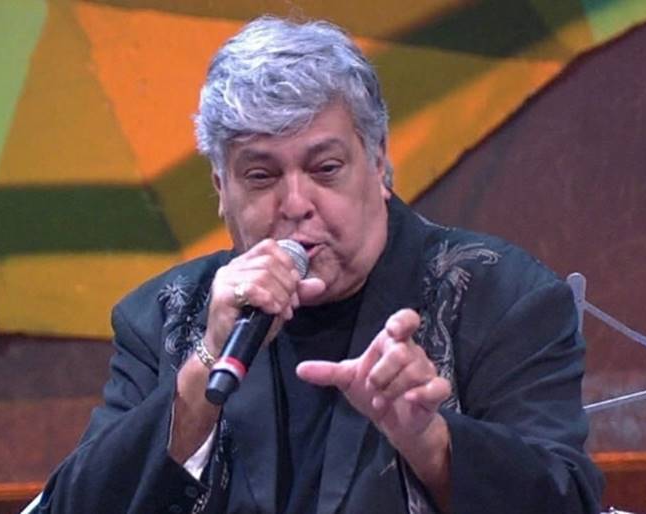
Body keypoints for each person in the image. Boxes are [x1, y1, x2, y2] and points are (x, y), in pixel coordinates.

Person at [37, 16, 603, 514]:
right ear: (220, 189)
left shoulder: (500, 297)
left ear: (378, 165)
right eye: (260, 176)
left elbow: (569, 501)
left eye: (325, 169)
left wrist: (429, 441)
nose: (295, 204)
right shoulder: (163, 315)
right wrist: (201, 369)